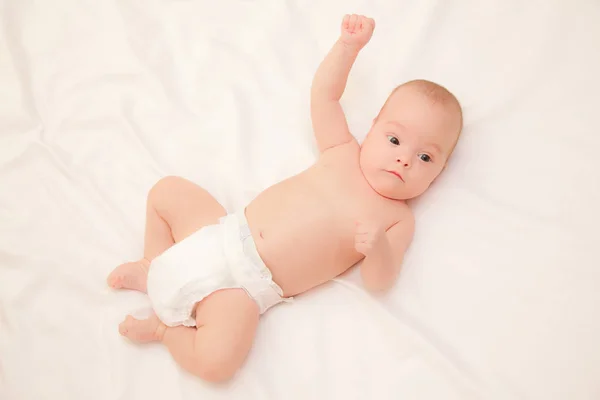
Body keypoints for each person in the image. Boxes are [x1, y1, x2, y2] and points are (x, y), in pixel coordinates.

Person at [107, 14, 463, 383]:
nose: (405, 158)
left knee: (216, 364)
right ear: (372, 128)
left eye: (426, 157)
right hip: (221, 232)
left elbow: (380, 281)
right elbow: (324, 95)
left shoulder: (397, 219)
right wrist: (348, 47)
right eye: (394, 140)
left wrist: (378, 249)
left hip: (246, 288)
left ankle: (167, 332)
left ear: (440, 172)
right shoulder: (342, 149)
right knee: (167, 191)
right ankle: (154, 264)